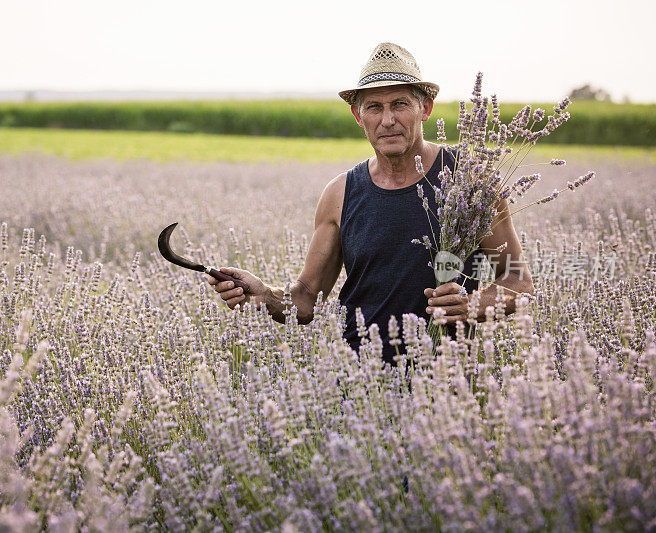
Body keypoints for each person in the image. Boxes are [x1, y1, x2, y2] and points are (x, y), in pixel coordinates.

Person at [208, 42, 534, 362]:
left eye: (400, 104)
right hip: (360, 385)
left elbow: (519, 281)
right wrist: (263, 295)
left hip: (446, 384)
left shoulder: (469, 179)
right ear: (357, 115)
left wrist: (475, 304)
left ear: (426, 108)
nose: (388, 119)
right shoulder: (340, 194)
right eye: (374, 107)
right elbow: (307, 298)